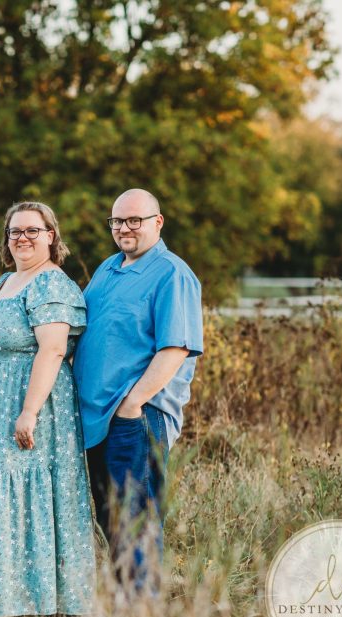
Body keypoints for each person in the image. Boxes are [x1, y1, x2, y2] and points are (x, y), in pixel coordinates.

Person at [0, 201, 95, 617]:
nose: (22, 238)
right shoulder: (5, 281)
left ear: (51, 235)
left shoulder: (50, 284)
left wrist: (29, 411)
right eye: (15, 232)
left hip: (27, 405)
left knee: (24, 493)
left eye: (32, 230)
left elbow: (53, 348)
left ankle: (34, 599)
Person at [73, 188, 203, 596]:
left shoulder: (171, 272)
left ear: (157, 222)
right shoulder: (108, 269)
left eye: (135, 220)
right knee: (111, 517)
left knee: (137, 517)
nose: (124, 228)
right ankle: (124, 606)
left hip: (136, 419)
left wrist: (133, 404)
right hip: (97, 419)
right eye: (117, 221)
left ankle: (141, 615)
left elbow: (176, 347)